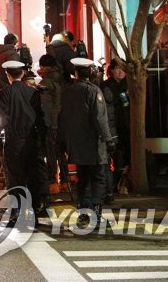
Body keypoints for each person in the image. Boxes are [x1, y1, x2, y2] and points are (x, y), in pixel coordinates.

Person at [59, 57, 113, 228]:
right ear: (90, 72)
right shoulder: (93, 90)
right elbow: (99, 118)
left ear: (75, 73)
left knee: (82, 178)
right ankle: (96, 213)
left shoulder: (68, 91)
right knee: (98, 178)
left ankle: (83, 212)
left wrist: (63, 140)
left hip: (76, 142)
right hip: (93, 142)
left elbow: (62, 117)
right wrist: (108, 139)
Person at [0, 59, 49, 216]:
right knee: (33, 175)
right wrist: (43, 138)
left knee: (15, 177)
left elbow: (1, 118)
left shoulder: (5, 92)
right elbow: (41, 118)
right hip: (31, 140)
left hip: (14, 140)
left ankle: (17, 210)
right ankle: (36, 208)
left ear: (8, 75)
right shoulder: (33, 92)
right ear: (23, 73)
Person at [101, 60, 130, 199]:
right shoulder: (106, 85)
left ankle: (123, 182)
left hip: (127, 123)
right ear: (111, 70)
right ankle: (114, 183)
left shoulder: (129, 84)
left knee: (126, 152)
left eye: (122, 68)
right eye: (117, 68)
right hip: (113, 124)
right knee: (115, 153)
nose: (120, 71)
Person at [36, 54, 65, 188]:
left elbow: (46, 106)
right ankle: (64, 179)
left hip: (51, 121)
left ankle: (52, 180)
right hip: (61, 120)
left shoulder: (46, 83)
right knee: (60, 150)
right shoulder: (60, 78)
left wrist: (48, 123)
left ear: (44, 67)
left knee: (51, 151)